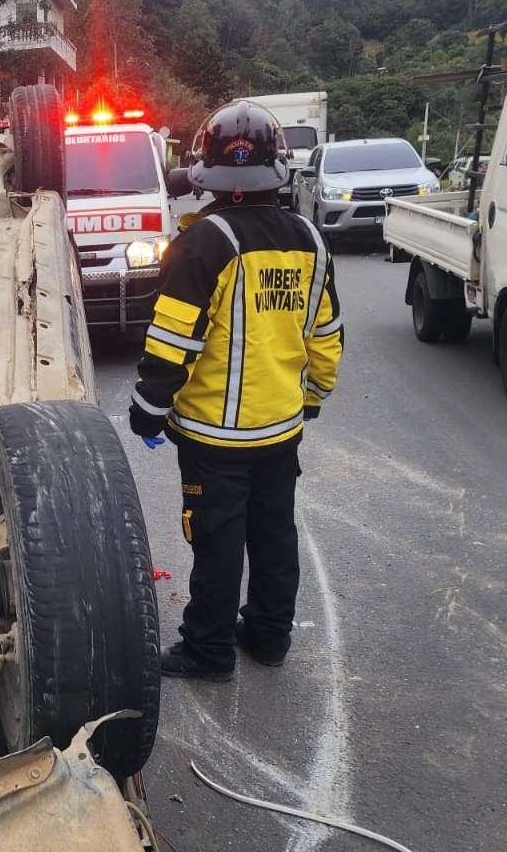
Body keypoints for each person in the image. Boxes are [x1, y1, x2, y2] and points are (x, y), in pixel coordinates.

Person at [127, 100, 344, 682]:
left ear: (207, 174)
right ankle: (270, 637)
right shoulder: (309, 240)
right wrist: (314, 394)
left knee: (217, 542)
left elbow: (173, 341)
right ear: (280, 172)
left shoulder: (203, 244)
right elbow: (325, 335)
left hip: (214, 437)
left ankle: (208, 649)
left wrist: (148, 409)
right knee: (274, 532)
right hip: (281, 427)